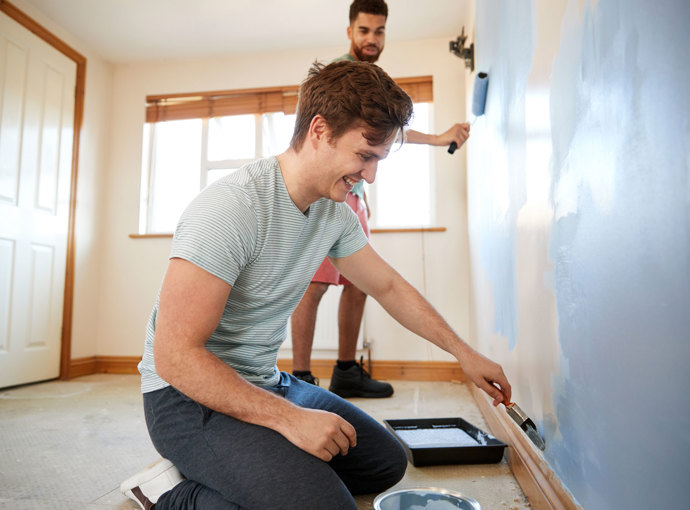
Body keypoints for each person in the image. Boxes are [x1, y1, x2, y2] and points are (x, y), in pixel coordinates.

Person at [120, 60, 511, 510]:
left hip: (267, 381)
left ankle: (251, 469)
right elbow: (174, 357)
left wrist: (463, 352)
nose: (370, 176)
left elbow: (386, 286)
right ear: (319, 131)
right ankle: (169, 495)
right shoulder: (230, 210)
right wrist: (289, 420)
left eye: (378, 161)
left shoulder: (333, 214)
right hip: (184, 400)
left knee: (383, 463)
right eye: (365, 156)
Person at [290, 0, 472, 398]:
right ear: (350, 32)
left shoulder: (372, 77)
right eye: (364, 31)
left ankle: (346, 371)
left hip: (354, 196)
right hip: (330, 194)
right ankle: (300, 377)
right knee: (315, 284)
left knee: (360, 284)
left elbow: (384, 135)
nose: (372, 39)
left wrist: (439, 138)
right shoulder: (342, 76)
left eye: (379, 31)